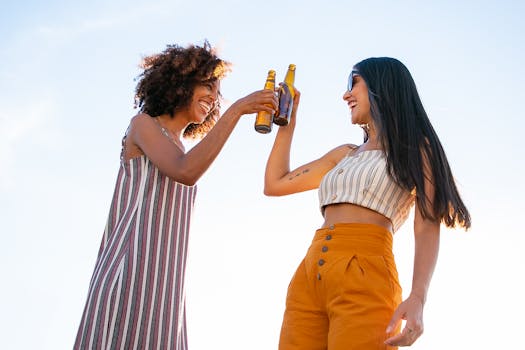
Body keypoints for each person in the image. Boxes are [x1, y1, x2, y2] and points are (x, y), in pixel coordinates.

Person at [74, 41, 278, 350]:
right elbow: (185, 171)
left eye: (217, 91)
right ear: (181, 81)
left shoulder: (182, 147)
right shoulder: (143, 125)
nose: (213, 96)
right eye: (207, 85)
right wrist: (237, 110)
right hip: (129, 274)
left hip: (165, 285)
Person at [264, 57, 471, 349]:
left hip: (367, 271)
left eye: (353, 83)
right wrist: (288, 120)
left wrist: (417, 297)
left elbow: (426, 224)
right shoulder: (344, 154)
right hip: (310, 272)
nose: (346, 95)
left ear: (381, 87)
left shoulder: (416, 150)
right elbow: (275, 184)